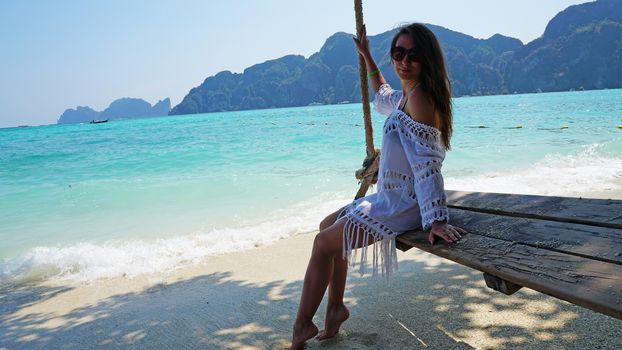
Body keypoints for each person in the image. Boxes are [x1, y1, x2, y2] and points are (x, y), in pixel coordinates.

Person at [289, 23, 467, 349]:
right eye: (399, 53)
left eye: (413, 55)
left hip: (405, 204)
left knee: (323, 243)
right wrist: (368, 56)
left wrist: (437, 219)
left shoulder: (422, 100)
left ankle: (302, 325)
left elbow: (427, 167)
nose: (404, 61)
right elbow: (382, 94)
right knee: (327, 226)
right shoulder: (406, 98)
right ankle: (335, 309)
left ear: (426, 59)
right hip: (391, 197)